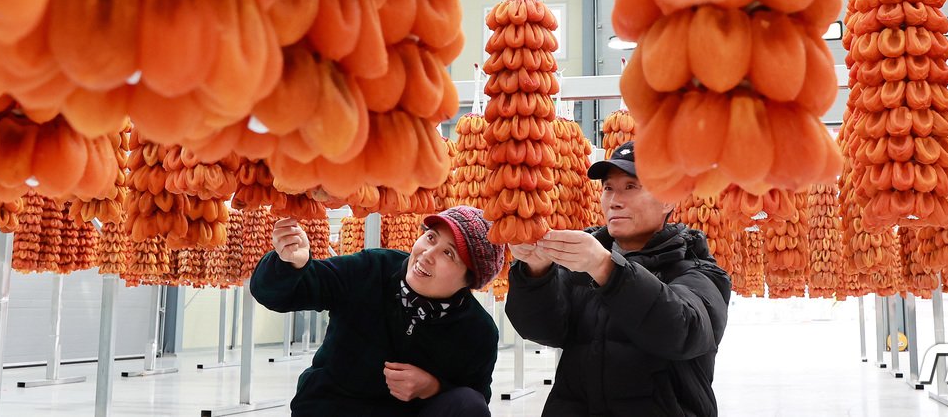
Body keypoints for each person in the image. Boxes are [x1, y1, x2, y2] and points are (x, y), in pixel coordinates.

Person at [506, 141, 732, 417]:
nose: (615, 200)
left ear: (668, 199)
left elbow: (683, 332)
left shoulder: (696, 269)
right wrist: (536, 272)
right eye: (608, 188)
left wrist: (607, 269)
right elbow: (543, 330)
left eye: (630, 187)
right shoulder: (582, 262)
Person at [250, 206, 506, 416]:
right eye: (430, 237)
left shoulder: (477, 331)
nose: (427, 255)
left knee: (468, 404)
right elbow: (278, 294)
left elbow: (476, 401)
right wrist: (290, 263)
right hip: (332, 407)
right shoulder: (372, 268)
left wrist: (433, 387)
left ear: (469, 281)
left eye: (448, 254)